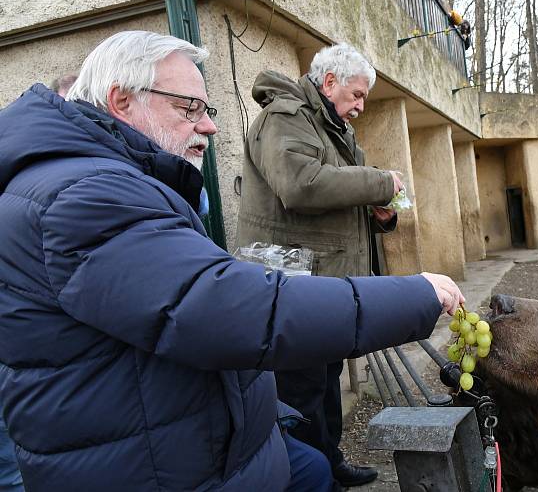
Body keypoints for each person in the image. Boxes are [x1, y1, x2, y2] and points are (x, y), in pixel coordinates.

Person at [0, 30, 465, 492]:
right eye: (190, 108)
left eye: (208, 109)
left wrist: (378, 215)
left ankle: (324, 452)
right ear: (122, 101)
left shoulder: (102, 181)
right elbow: (222, 303)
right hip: (153, 459)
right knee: (306, 416)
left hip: (169, 433)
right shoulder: (87, 194)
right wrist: (411, 292)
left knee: (314, 441)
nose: (209, 127)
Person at [236, 43, 411, 488]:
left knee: (326, 380)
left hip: (327, 284)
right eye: (356, 95)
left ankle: (330, 460)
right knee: (301, 391)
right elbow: (301, 186)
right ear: (328, 82)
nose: (360, 106)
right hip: (294, 288)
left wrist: (380, 214)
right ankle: (312, 475)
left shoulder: (333, 128)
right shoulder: (285, 117)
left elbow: (343, 197)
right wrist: (378, 182)